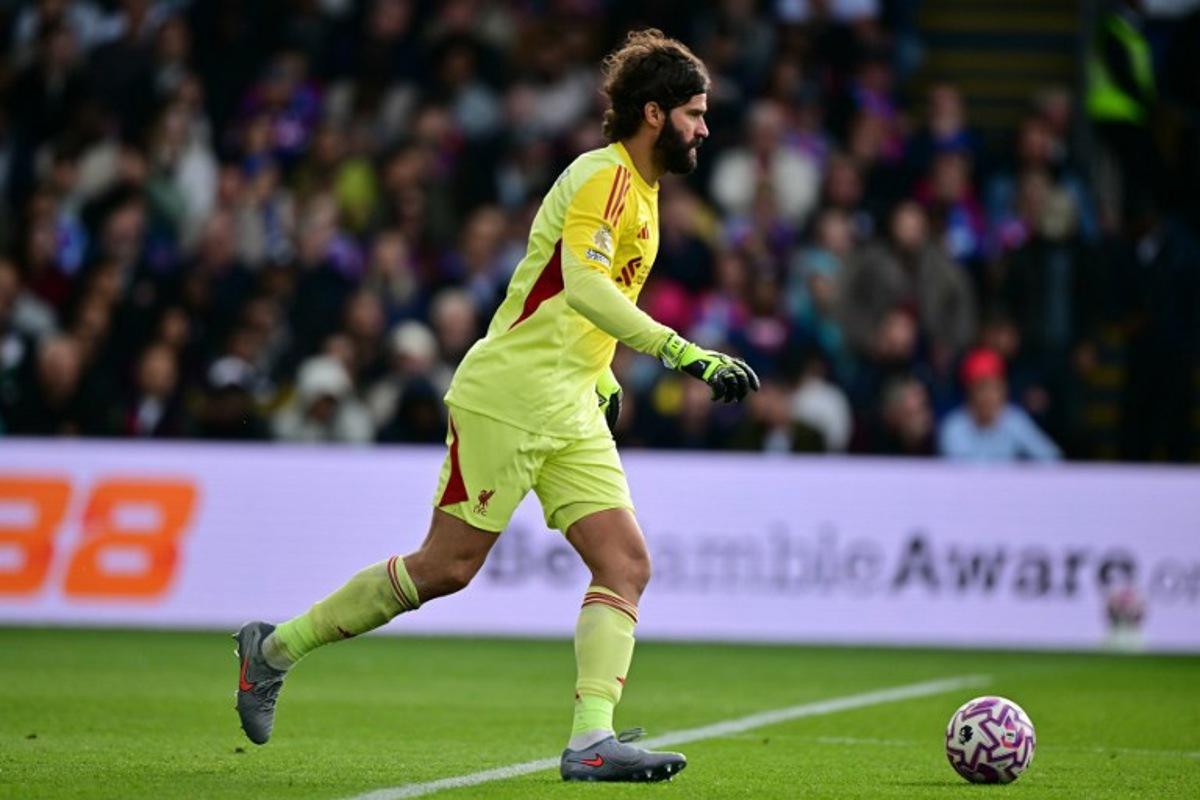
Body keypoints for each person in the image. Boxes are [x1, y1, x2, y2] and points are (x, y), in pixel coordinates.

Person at [233, 30, 759, 783]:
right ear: (654, 113)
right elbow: (582, 286)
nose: (705, 128)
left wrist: (603, 380)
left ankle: (589, 740)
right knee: (445, 569)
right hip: (510, 398)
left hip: (569, 406)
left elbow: (576, 312)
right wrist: (685, 353)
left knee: (626, 563)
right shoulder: (602, 179)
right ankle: (272, 650)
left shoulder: (643, 195)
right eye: (695, 113)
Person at [938, 348, 1061, 462]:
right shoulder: (953, 426)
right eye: (982, 388)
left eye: (995, 388)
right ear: (969, 392)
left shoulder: (1014, 420)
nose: (989, 396)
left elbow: (1051, 457)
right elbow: (956, 474)